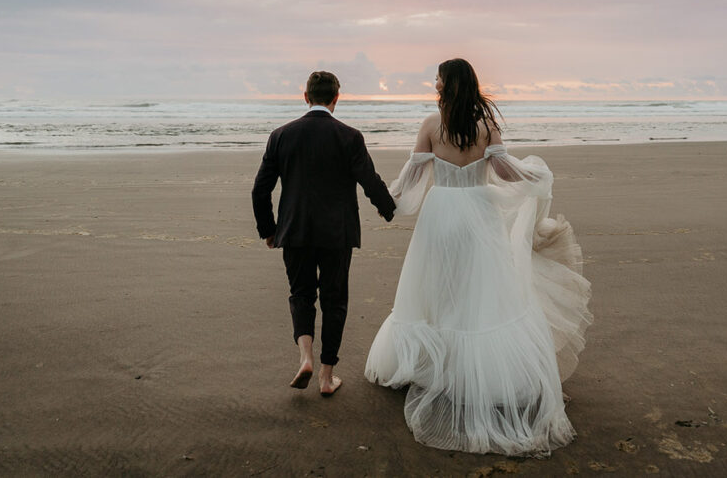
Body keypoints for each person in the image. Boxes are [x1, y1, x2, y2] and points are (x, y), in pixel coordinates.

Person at [365, 59, 592, 455]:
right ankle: (474, 370)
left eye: (437, 75)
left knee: (436, 286)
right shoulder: (486, 126)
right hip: (481, 213)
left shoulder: (431, 125)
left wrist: (392, 197)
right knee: (481, 286)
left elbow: (414, 173)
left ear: (447, 84)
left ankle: (437, 364)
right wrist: (532, 178)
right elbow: (504, 172)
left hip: (441, 214)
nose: (433, 81)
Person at [252, 71, 396, 396]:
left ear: (305, 97)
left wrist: (269, 230)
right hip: (337, 233)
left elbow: (260, 190)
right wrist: (388, 208)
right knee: (334, 300)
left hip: (296, 230)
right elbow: (369, 180)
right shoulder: (350, 136)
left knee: (301, 293)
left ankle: (305, 357)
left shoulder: (281, 135)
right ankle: (327, 377)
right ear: (336, 99)